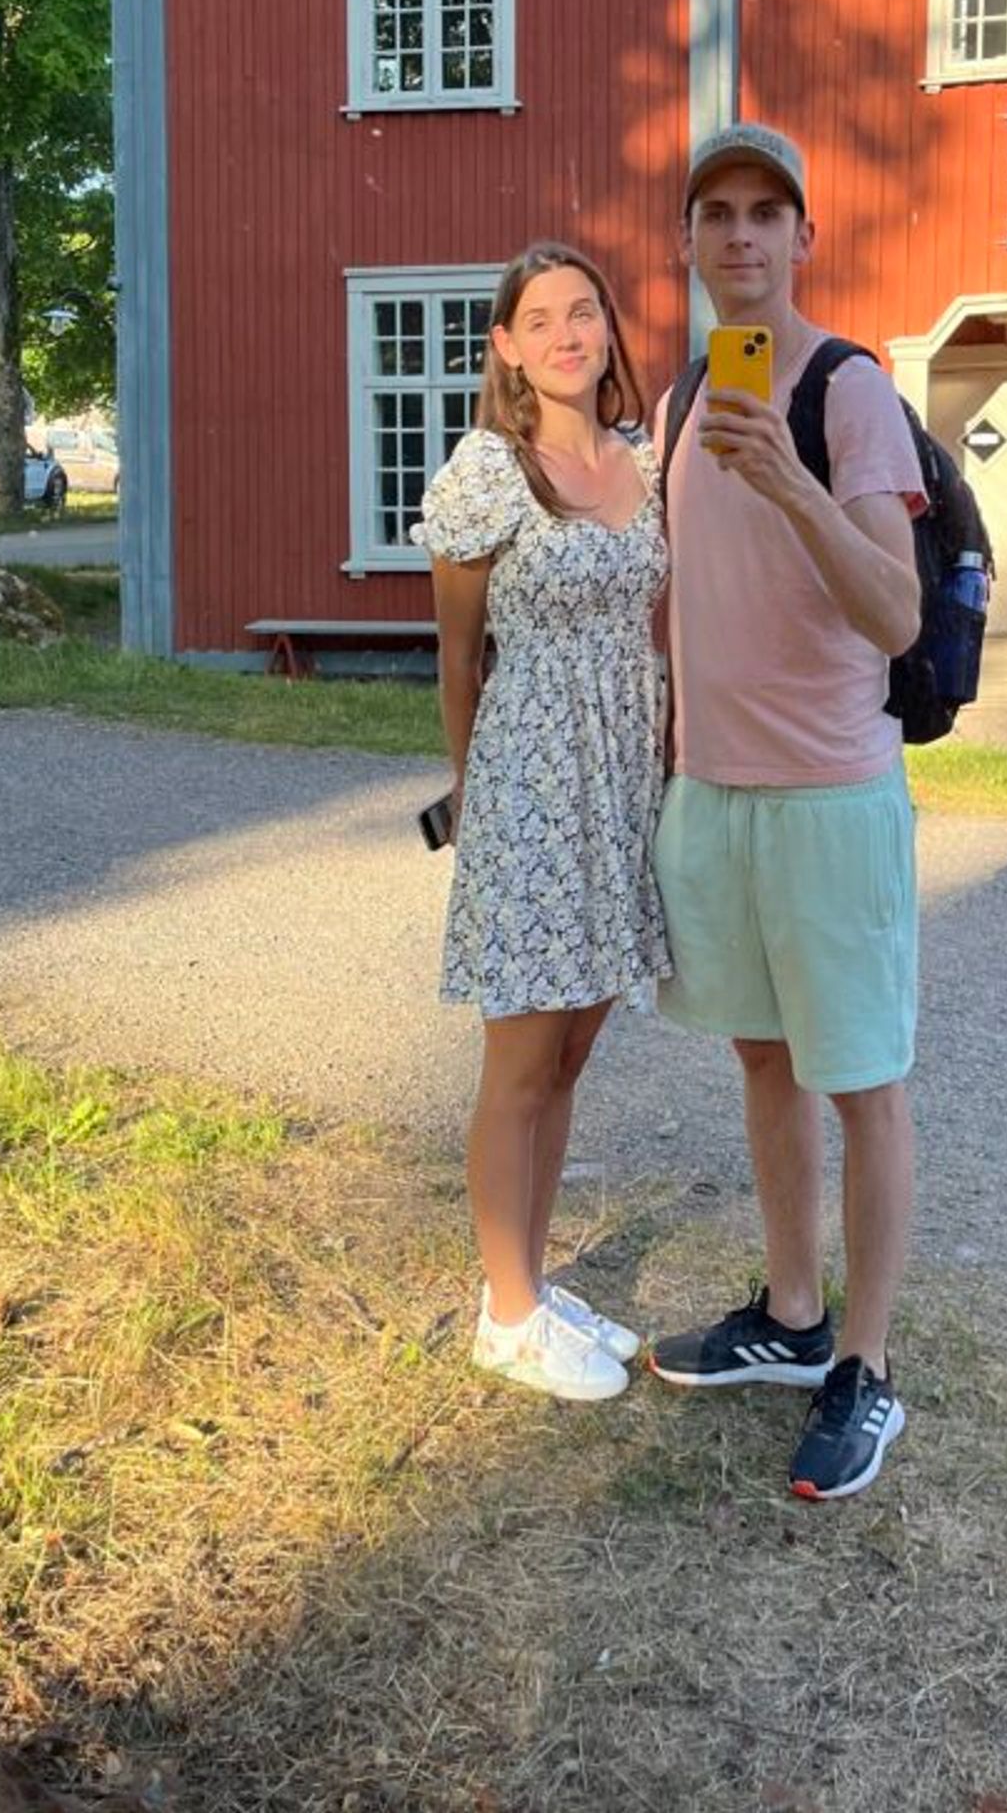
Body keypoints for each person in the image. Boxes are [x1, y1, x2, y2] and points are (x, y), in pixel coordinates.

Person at [648, 124, 926, 1500]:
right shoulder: (681, 399)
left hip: (830, 800)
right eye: (717, 214)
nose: (742, 236)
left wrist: (796, 485)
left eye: (768, 213)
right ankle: (793, 1312)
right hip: (716, 797)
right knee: (762, 1062)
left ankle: (865, 1369)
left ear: (806, 240)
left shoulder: (848, 390)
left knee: (862, 1085)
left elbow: (894, 607)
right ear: (689, 245)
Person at [416, 241, 670, 1401]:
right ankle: (503, 1312)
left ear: (609, 331)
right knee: (519, 1058)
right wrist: (473, 793)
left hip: (623, 783)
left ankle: (529, 1277)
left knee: (574, 1050)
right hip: (528, 780)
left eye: (587, 311)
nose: (570, 332)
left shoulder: (643, 462)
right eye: (542, 318)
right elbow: (459, 655)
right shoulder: (487, 470)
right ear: (507, 347)